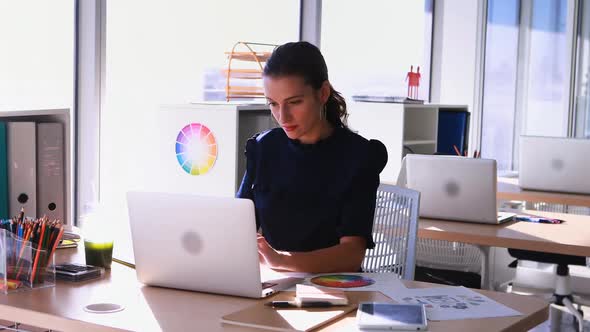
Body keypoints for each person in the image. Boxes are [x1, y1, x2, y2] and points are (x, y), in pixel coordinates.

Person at [237, 41, 387, 273]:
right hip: (274, 283)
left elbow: (352, 254)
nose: (282, 116)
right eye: (273, 104)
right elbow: (238, 227)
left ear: (323, 93)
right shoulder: (263, 148)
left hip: (336, 288)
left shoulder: (358, 156)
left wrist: (283, 261)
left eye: (294, 102)